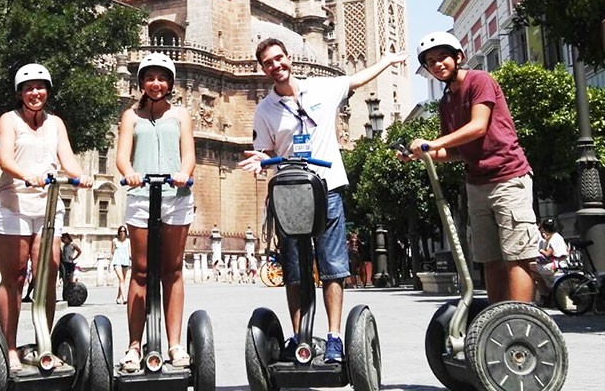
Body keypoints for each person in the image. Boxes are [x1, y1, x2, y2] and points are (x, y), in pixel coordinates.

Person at [239, 37, 406, 363]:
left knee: (332, 266)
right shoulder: (265, 109)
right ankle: (299, 336)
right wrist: (261, 160)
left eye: (279, 59)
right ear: (263, 69)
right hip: (289, 193)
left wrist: (386, 61)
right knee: (294, 271)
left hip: (326, 188)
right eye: (268, 63)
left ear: (289, 58)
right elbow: (267, 150)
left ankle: (333, 337)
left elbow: (357, 79)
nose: (276, 66)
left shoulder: (322, 89)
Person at [403, 31, 540, 303]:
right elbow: (454, 151)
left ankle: (521, 323)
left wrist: (432, 142)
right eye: (431, 62)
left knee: (517, 255)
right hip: (476, 184)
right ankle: (495, 322)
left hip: (508, 178)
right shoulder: (446, 101)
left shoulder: (480, 80)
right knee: (490, 258)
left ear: (458, 57)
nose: (438, 64)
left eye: (443, 58)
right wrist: (419, 154)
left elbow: (478, 127)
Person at [0, 63, 92, 372]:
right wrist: (27, 175)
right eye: (29, 88)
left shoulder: (56, 123)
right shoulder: (9, 120)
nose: (35, 93)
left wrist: (80, 175)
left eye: (40, 87)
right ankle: (9, 347)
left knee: (47, 277)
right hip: (13, 204)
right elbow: (5, 159)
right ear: (20, 93)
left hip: (48, 207)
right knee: (15, 277)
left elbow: (68, 158)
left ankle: (42, 344)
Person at [115, 52, 196, 372]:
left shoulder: (181, 115)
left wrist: (184, 173)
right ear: (141, 83)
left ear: (170, 83)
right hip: (140, 195)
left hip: (176, 196)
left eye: (162, 78)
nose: (156, 84)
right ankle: (135, 345)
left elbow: (188, 154)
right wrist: (130, 172)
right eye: (149, 78)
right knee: (141, 270)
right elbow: (123, 156)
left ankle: (175, 344)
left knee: (173, 269)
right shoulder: (130, 116)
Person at [532, 218, 569, 304]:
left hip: (556, 266)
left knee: (532, 269)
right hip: (553, 265)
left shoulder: (554, 238)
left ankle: (545, 295)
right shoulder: (553, 237)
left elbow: (548, 254)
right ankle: (545, 295)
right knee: (535, 272)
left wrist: (540, 250)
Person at [110, 225, 132, 304]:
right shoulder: (115, 241)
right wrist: (110, 263)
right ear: (118, 232)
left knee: (122, 280)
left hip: (125, 261)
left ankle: (118, 297)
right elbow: (112, 252)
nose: (122, 233)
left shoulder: (128, 241)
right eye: (121, 231)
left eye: (124, 231)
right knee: (121, 279)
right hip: (117, 261)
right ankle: (124, 298)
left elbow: (129, 252)